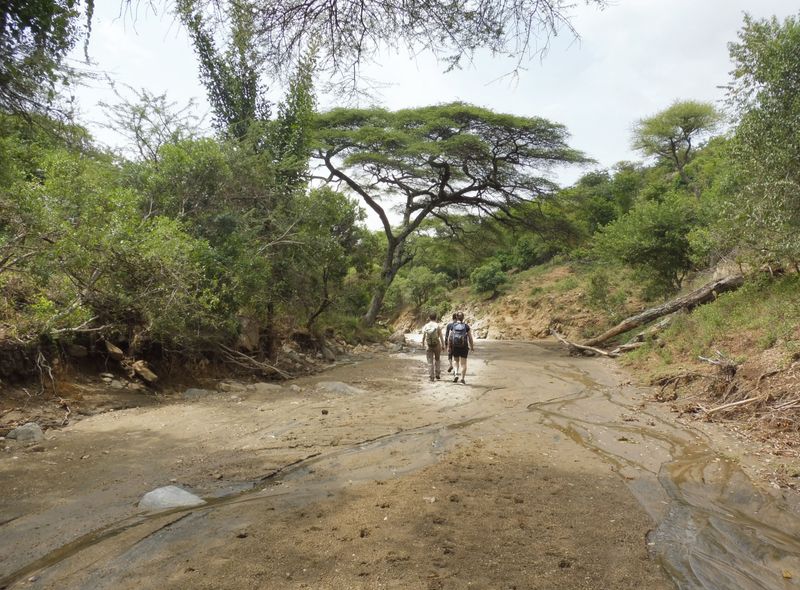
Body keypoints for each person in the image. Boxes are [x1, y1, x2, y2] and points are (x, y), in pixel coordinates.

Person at [448, 311, 474, 384]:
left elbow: (450, 337)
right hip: (464, 346)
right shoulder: (466, 326)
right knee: (463, 363)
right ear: (463, 318)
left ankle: (456, 374)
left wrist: (449, 346)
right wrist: (472, 346)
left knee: (455, 361)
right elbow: (470, 337)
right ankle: (462, 378)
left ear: (456, 317)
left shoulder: (453, 326)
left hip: (455, 346)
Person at [421, 312, 445, 382]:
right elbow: (441, 337)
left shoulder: (426, 326)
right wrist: (443, 345)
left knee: (430, 361)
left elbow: (423, 336)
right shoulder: (437, 325)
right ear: (436, 318)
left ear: (429, 318)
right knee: (437, 359)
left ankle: (431, 376)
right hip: (437, 345)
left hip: (428, 345)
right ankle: (437, 373)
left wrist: (423, 343)